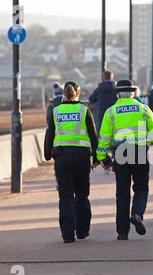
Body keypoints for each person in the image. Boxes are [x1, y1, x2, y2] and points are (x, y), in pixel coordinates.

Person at [96, 80, 153, 241]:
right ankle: (137, 214)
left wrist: (101, 157)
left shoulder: (111, 112)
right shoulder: (143, 109)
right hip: (140, 151)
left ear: (118, 94)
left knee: (122, 192)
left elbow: (104, 138)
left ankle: (122, 232)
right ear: (133, 93)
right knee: (141, 187)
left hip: (120, 153)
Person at [44, 81, 99, 243]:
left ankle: (68, 235)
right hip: (81, 157)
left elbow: (50, 133)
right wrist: (97, 157)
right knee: (82, 195)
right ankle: (82, 231)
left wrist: (48, 154)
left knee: (66, 196)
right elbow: (93, 135)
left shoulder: (56, 110)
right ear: (77, 93)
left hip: (62, 158)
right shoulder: (84, 110)